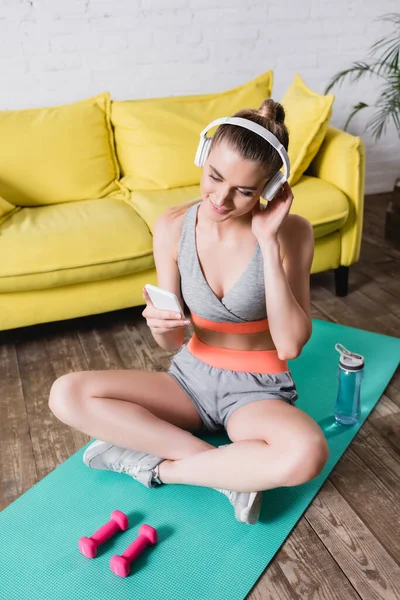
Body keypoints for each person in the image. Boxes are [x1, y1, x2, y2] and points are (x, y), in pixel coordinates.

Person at [49, 99, 329, 525]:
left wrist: (269, 244)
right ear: (202, 159)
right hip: (188, 378)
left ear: (270, 190)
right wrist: (160, 322)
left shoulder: (293, 233)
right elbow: (171, 342)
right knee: (66, 393)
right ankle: (227, 472)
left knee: (308, 452)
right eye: (214, 176)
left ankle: (157, 467)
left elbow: (290, 344)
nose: (221, 198)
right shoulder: (172, 225)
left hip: (257, 391)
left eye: (246, 190)